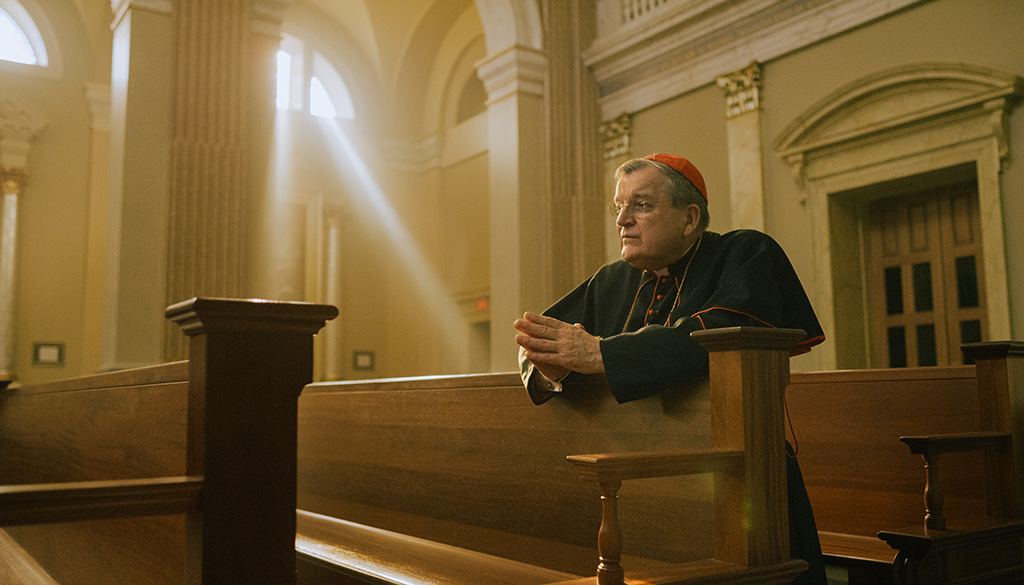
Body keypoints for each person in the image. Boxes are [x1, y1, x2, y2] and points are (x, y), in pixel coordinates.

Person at [513, 153, 827, 585]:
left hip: (740, 486)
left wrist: (602, 354)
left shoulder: (746, 252)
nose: (623, 219)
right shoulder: (610, 280)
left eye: (640, 205)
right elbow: (538, 343)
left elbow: (718, 333)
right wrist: (555, 369)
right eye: (618, 206)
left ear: (689, 217)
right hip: (632, 494)